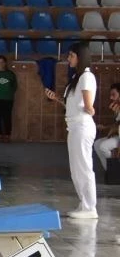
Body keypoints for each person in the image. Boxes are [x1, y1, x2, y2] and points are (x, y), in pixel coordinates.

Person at [45, 43, 98, 219]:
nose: (69, 59)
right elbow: (73, 104)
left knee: (84, 168)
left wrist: (91, 109)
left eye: (71, 55)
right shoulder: (77, 77)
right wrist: (57, 98)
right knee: (76, 169)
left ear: (80, 57)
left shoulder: (86, 77)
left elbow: (88, 105)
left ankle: (90, 208)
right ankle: (84, 203)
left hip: (82, 126)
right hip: (75, 127)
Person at [94, 83, 120, 171]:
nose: (111, 97)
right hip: (118, 135)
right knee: (97, 144)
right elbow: (117, 124)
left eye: (113, 95)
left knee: (103, 146)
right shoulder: (117, 106)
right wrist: (105, 127)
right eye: (111, 95)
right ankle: (109, 171)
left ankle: (115, 169)